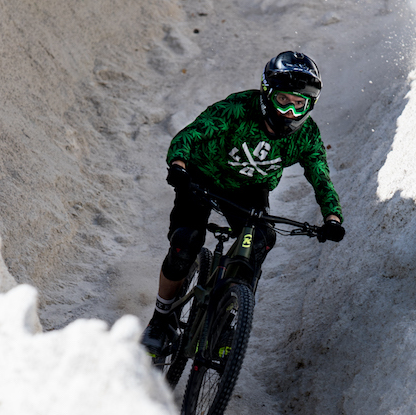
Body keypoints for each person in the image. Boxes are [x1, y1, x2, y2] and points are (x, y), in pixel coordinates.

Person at [142, 51, 345, 358]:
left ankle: (226, 317)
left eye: (300, 104)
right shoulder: (237, 108)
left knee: (260, 241)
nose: (290, 112)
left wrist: (332, 217)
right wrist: (179, 165)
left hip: (250, 190)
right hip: (201, 178)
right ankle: (160, 319)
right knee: (186, 242)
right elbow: (192, 134)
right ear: (266, 95)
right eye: (283, 101)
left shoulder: (307, 136)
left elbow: (320, 176)